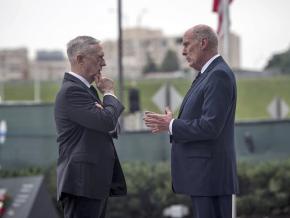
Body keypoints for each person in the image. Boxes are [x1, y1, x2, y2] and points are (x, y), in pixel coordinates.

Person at [144, 24, 239, 218]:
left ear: (203, 43)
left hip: (211, 178)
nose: (183, 51)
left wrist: (171, 125)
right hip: (205, 178)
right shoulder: (207, 74)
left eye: (187, 44)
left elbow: (210, 126)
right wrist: (172, 122)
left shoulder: (217, 75)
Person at [54, 36, 126, 218]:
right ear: (80, 59)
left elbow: (110, 126)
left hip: (90, 183)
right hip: (81, 183)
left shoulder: (86, 90)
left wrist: (105, 114)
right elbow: (107, 121)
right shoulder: (72, 91)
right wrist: (109, 93)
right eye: (99, 57)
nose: (104, 63)